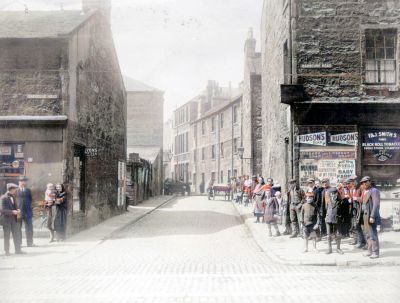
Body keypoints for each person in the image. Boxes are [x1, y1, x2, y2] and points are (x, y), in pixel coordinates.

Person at [1, 183, 25, 255]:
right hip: (6, 220)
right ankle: (7, 251)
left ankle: (18, 250)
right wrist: (12, 212)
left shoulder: (13, 196)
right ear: (11, 189)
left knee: (16, 235)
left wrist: (18, 210)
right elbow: (2, 210)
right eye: (14, 189)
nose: (15, 190)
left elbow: (15, 207)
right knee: (7, 236)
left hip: (14, 220)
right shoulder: (3, 198)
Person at [360, 176, 380, 259]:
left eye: (366, 182)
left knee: (373, 235)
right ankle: (369, 251)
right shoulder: (365, 191)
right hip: (365, 215)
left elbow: (376, 204)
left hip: (371, 216)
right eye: (362, 183)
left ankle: (375, 252)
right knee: (367, 235)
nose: (364, 184)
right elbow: (363, 202)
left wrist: (372, 216)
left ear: (369, 182)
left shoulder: (374, 191)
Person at [16, 176, 36, 247]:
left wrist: (30, 209)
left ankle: (30, 243)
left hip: (28, 212)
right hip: (19, 213)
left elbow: (31, 200)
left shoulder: (28, 190)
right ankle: (19, 243)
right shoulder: (16, 191)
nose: (23, 182)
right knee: (18, 229)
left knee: (29, 228)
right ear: (19, 182)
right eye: (21, 181)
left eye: (24, 181)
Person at [347, 176, 366, 248]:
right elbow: (350, 198)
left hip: (360, 210)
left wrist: (356, 198)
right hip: (354, 210)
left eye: (354, 182)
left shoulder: (360, 188)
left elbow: (363, 199)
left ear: (356, 181)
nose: (353, 183)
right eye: (352, 182)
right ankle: (359, 241)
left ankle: (362, 242)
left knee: (360, 226)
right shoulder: (351, 189)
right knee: (355, 226)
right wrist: (350, 199)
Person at [325, 187, 344, 254]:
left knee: (338, 234)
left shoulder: (340, 201)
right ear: (330, 194)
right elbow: (325, 208)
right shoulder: (327, 200)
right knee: (328, 235)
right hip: (329, 218)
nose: (333, 195)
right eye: (332, 193)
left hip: (337, 218)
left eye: (335, 193)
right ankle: (329, 249)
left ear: (337, 194)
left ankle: (338, 249)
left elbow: (342, 210)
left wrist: (341, 217)